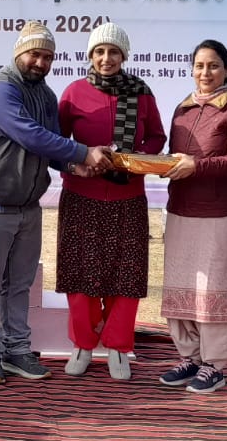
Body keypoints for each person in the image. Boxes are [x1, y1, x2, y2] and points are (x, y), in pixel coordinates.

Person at [0, 20, 111, 385]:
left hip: (27, 207)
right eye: (35, 54)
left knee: (20, 284)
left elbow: (50, 145)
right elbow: (29, 135)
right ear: (18, 52)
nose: (41, 62)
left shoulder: (46, 95)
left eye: (48, 57)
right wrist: (83, 152)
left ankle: (17, 350)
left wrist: (72, 165)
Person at [55, 22, 165, 379]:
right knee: (80, 272)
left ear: (124, 56)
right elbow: (57, 143)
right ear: (90, 55)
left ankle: (118, 346)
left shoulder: (141, 92)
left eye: (113, 52)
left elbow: (157, 137)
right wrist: (80, 160)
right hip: (81, 196)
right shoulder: (73, 92)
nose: (106, 58)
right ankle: (83, 344)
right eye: (100, 51)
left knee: (126, 273)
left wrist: (133, 157)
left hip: (127, 196)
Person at [158, 39, 227, 393]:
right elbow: (177, 157)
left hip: (219, 214)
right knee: (181, 287)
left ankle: (214, 364)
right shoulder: (183, 108)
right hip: (180, 210)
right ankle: (190, 356)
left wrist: (195, 166)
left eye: (213, 65)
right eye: (199, 66)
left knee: (212, 291)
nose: (205, 72)